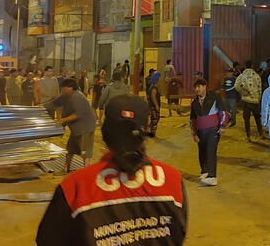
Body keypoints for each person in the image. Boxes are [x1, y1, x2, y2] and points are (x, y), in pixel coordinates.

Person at [36, 94, 188, 245]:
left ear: (105, 134)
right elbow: (179, 233)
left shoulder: (76, 187)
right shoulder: (172, 181)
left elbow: (48, 240)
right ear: (145, 133)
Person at [51, 79, 97, 174]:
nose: (62, 90)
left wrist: (61, 121)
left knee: (85, 152)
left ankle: (86, 172)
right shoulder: (65, 95)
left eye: (64, 88)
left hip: (85, 128)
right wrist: (39, 107)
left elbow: (77, 114)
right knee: (70, 149)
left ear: (71, 88)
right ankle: (66, 169)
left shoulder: (77, 97)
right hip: (76, 128)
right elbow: (54, 103)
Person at [190, 79, 228, 187]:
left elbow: (223, 111)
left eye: (200, 86)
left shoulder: (214, 97)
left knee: (210, 151)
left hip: (213, 130)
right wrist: (194, 134)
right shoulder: (194, 102)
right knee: (202, 151)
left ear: (205, 86)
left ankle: (212, 177)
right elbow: (193, 119)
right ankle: (205, 171)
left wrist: (222, 125)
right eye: (196, 87)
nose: (197, 89)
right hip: (201, 131)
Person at [234, 60, 264, 142]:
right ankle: (261, 133)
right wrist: (258, 98)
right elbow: (260, 88)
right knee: (257, 118)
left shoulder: (242, 75)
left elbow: (236, 86)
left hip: (246, 100)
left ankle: (248, 136)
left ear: (245, 65)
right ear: (252, 65)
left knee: (246, 119)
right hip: (255, 101)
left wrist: (243, 92)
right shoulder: (257, 76)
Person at [147, 71, 161, 137]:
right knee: (155, 119)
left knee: (155, 119)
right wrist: (156, 106)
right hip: (153, 107)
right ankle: (152, 132)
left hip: (152, 106)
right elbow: (153, 97)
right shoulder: (154, 88)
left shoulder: (153, 87)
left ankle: (150, 129)